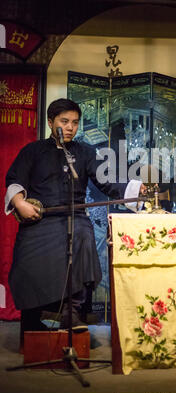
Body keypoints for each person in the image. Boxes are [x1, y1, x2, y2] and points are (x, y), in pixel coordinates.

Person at [5, 98, 145, 332]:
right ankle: (33, 317)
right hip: (40, 220)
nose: (70, 127)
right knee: (27, 256)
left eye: (75, 122)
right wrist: (20, 203)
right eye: (64, 121)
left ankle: (73, 312)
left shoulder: (85, 152)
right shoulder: (33, 150)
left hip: (75, 216)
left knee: (82, 235)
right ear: (51, 122)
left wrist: (134, 189)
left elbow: (107, 180)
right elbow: (15, 180)